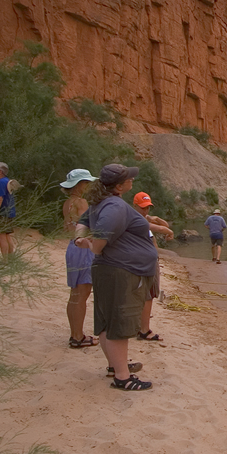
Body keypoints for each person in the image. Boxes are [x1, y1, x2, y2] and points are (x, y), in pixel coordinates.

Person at [74, 164, 158, 391]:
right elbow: (99, 246)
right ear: (120, 186)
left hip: (113, 269)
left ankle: (115, 366)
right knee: (119, 322)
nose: (133, 179)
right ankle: (122, 377)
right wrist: (90, 244)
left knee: (107, 321)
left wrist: (79, 239)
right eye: (129, 178)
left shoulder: (102, 203)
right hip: (122, 271)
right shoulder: (114, 206)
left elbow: (82, 222)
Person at [60, 168, 98, 348]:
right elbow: (90, 226)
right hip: (83, 248)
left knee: (75, 293)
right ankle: (78, 336)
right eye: (86, 183)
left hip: (72, 247)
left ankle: (75, 333)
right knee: (82, 293)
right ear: (80, 184)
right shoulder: (82, 202)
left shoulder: (67, 203)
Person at [133, 191, 173, 341]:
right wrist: (167, 230)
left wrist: (154, 217)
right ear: (135, 206)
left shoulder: (141, 218)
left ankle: (140, 327)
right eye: (143, 207)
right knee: (148, 294)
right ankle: (144, 330)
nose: (146, 211)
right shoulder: (137, 220)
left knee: (146, 294)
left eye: (148, 207)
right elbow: (162, 229)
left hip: (148, 260)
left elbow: (163, 224)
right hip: (145, 262)